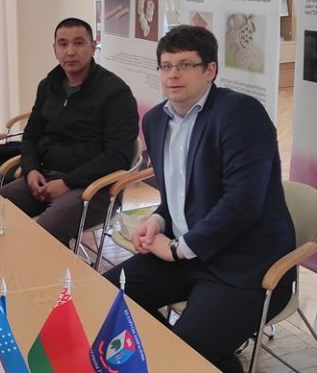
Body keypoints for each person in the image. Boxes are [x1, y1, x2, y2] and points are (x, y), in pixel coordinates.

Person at [104, 25, 296, 373]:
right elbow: (177, 196)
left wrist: (177, 248)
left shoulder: (241, 114)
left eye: (185, 65)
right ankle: (199, 356)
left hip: (243, 265)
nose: (173, 75)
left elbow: (242, 204)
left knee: (185, 353)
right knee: (105, 298)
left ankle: (195, 355)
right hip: (188, 256)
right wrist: (158, 220)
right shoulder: (155, 121)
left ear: (210, 70)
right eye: (166, 66)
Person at [0, 17, 138, 246]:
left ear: (93, 46)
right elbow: (31, 136)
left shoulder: (115, 93)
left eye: (79, 43)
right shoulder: (48, 85)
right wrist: (31, 170)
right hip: (45, 178)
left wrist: (68, 182)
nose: (70, 51)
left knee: (47, 229)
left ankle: (49, 269)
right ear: (55, 50)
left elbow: (117, 156)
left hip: (94, 189)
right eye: (63, 44)